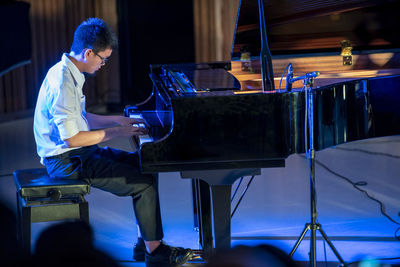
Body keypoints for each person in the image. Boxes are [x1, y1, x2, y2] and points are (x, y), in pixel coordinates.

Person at [33, 17, 193, 267]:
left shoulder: (68, 71)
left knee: (147, 165)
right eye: (103, 59)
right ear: (88, 53)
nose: (104, 64)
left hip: (77, 153)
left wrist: (119, 119)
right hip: (67, 162)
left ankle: (145, 244)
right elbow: (72, 137)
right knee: (142, 183)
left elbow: (81, 118)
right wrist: (115, 132)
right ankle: (156, 253)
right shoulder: (63, 81)